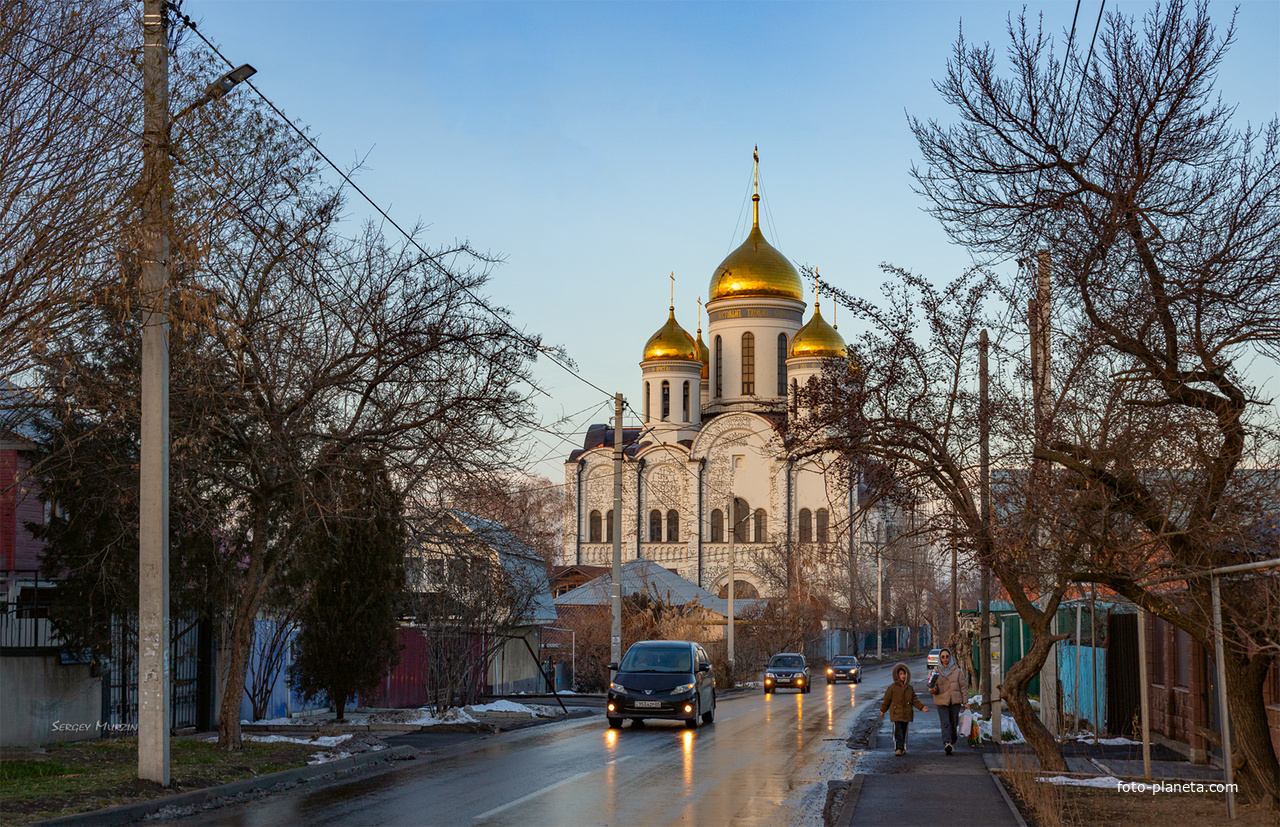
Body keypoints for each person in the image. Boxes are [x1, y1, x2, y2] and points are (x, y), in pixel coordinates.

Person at [880, 662, 928, 756]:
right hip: (896, 713)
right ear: (897, 675)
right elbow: (887, 700)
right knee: (898, 732)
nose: (903, 676)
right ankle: (898, 748)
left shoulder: (909, 688)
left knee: (904, 731)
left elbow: (914, 700)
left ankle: (903, 747)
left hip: (906, 714)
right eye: (901, 674)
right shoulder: (892, 688)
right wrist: (882, 711)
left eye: (904, 674)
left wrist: (921, 707)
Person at [928, 647, 969, 754]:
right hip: (941, 701)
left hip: (955, 701)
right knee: (945, 723)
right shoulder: (935, 672)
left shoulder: (957, 671)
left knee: (953, 723)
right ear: (940, 658)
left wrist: (965, 702)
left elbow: (963, 687)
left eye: (947, 656)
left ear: (950, 657)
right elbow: (931, 686)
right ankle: (947, 743)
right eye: (943, 657)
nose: (945, 659)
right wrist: (933, 690)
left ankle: (952, 740)